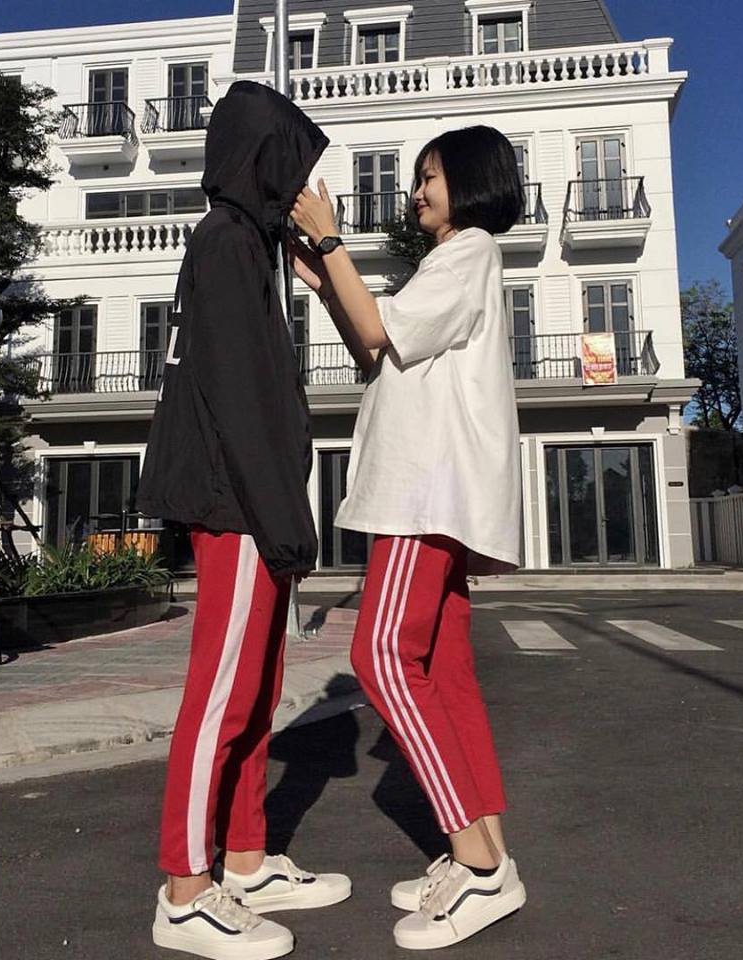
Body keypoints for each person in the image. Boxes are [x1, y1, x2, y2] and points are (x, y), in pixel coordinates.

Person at [290, 125, 526, 951]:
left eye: (430, 176)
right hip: (439, 491)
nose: (417, 190)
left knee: (382, 657)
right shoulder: (456, 262)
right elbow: (377, 347)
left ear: (470, 181)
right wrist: (324, 280)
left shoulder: (468, 251)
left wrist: (330, 240)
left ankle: (479, 865)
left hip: (423, 490)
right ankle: (486, 855)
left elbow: (382, 334)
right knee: (446, 674)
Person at [136, 81, 351, 960]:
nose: (300, 186)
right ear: (261, 160)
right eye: (291, 166)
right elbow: (238, 399)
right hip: (237, 507)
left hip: (254, 504)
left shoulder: (246, 247)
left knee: (257, 693)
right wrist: (282, 517)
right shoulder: (225, 241)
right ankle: (187, 891)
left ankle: (248, 860)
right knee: (221, 695)